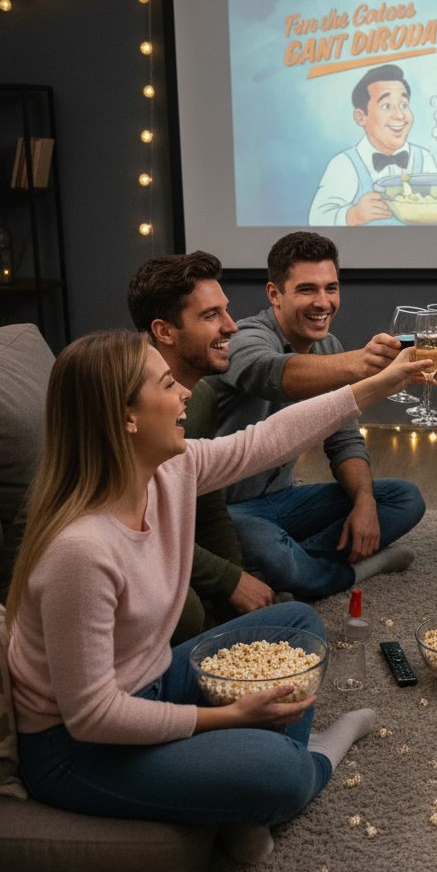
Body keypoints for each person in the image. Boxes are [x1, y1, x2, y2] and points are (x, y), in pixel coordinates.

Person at [6, 330, 433, 864]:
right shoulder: (81, 551)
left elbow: (270, 438)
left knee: (296, 623)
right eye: (166, 383)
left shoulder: (171, 470)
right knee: (280, 773)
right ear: (127, 419)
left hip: (154, 681)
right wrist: (230, 719)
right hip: (79, 750)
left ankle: (237, 792)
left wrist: (381, 382)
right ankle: (311, 755)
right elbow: (93, 716)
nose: (186, 393)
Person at [209, 231, 426, 598]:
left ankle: (286, 567)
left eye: (331, 288)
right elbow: (275, 375)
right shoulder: (244, 337)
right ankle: (350, 570)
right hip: (229, 510)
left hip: (284, 499)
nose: (323, 302)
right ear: (275, 294)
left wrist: (364, 502)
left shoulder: (330, 347)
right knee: (275, 554)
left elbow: (344, 440)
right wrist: (362, 364)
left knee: (405, 498)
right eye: (307, 289)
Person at [127, 251, 277, 638]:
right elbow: (133, 534)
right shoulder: (124, 401)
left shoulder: (203, 397)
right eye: (211, 316)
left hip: (165, 546)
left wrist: (238, 586)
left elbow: (206, 506)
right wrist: (228, 580)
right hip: (115, 556)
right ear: (165, 331)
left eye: (226, 311)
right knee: (189, 611)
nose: (231, 327)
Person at [308, 63, 437, 227]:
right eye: (386, 106)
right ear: (361, 117)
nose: (399, 115)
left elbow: (433, 207)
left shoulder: (423, 157)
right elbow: (316, 218)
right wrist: (353, 215)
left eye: (404, 105)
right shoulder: (345, 164)